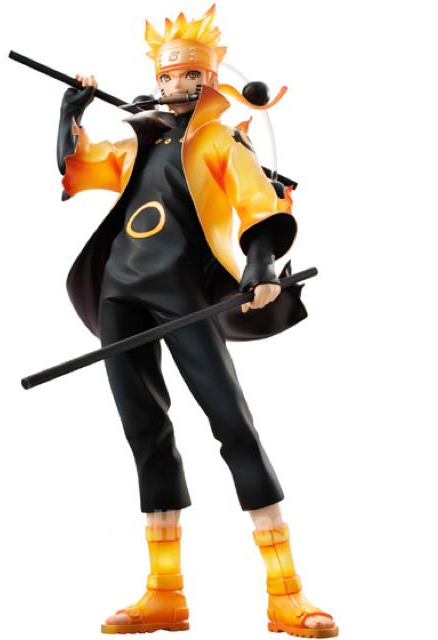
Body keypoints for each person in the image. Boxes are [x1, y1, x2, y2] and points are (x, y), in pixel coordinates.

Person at [56, 5, 338, 637]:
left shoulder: (219, 139)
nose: (175, 84)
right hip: (120, 295)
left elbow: (257, 206)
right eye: (166, 75)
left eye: (187, 75)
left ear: (209, 78)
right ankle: (164, 593)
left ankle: (286, 592)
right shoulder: (139, 140)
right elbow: (79, 166)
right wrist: (69, 113)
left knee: (233, 426)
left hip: (182, 293)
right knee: (146, 434)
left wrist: (259, 268)